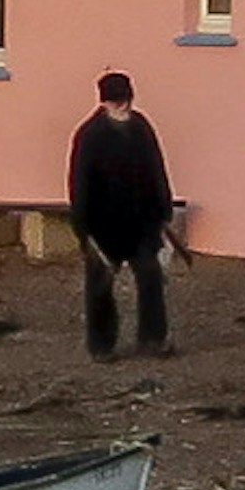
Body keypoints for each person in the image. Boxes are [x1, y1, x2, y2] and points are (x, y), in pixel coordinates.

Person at [69, 71, 176, 359]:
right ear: (104, 103)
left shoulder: (141, 127)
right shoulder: (89, 136)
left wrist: (164, 211)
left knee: (151, 278)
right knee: (100, 287)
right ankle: (101, 346)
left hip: (142, 223)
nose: (123, 108)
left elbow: (157, 169)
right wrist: (83, 230)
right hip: (103, 226)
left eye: (126, 102)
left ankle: (154, 339)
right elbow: (79, 185)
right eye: (118, 103)